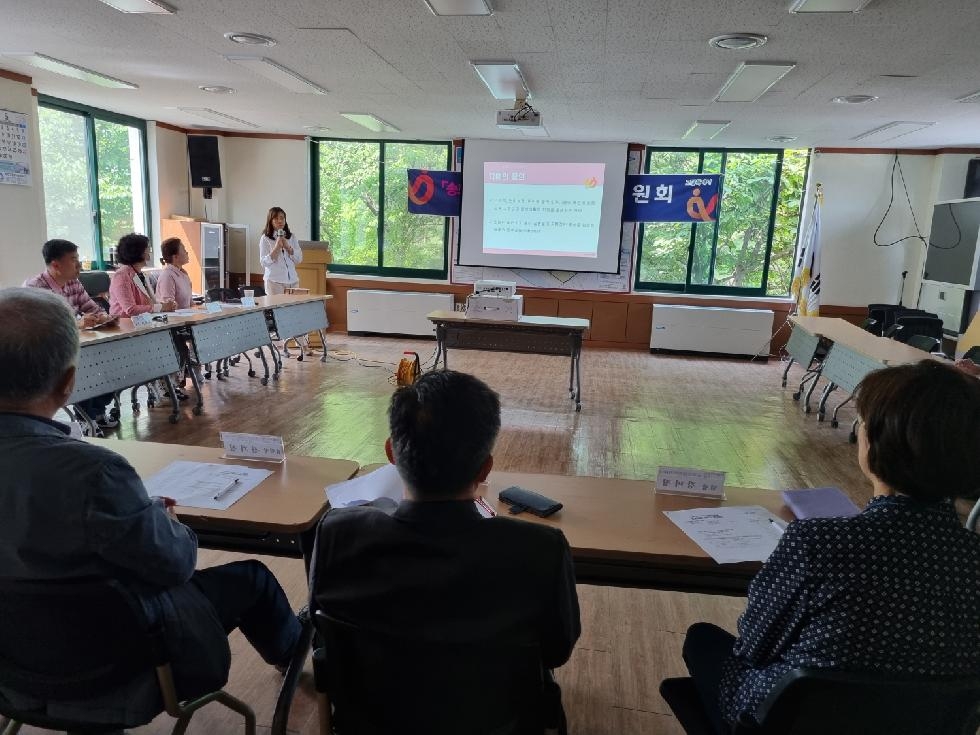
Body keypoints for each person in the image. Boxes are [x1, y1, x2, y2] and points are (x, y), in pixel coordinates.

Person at [0, 287, 304, 726]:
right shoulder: (94, 474)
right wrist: (163, 520)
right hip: (119, 663)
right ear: (69, 383)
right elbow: (175, 564)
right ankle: (297, 657)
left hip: (13, 669)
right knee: (252, 579)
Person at [680, 359, 980, 734]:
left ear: (877, 444)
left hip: (793, 718)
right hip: (928, 722)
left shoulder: (818, 544)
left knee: (703, 642)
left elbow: (754, 646)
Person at [309, 370, 581, 730]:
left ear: (391, 452)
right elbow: (557, 651)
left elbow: (321, 627)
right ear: (485, 468)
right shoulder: (541, 551)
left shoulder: (337, 534)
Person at [23, 238, 118, 431]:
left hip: (79, 343)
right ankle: (85, 418)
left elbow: (91, 307)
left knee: (111, 360)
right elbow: (40, 327)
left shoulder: (74, 283)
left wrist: (104, 317)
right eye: (73, 259)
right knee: (86, 368)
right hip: (50, 352)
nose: (78, 264)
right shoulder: (35, 288)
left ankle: (97, 413)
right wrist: (76, 323)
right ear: (56, 265)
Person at [109, 233, 176, 317]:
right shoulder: (121, 276)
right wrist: (162, 307)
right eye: (147, 248)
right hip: (125, 326)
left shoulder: (141, 274)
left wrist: (166, 305)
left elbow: (150, 304)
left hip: (143, 323)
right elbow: (131, 309)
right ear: (138, 251)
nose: (149, 251)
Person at [258, 206, 303, 296]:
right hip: (274, 282)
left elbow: (299, 259)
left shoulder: (291, 237)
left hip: (293, 281)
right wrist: (277, 247)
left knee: (294, 309)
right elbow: (264, 263)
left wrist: (288, 247)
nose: (280, 221)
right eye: (276, 218)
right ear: (270, 221)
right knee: (277, 309)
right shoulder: (265, 238)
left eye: (282, 218)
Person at [155, 236, 194, 309]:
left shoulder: (183, 273)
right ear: (175, 257)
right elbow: (169, 306)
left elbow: (190, 303)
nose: (187, 252)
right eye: (184, 250)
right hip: (176, 319)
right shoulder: (167, 276)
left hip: (188, 317)